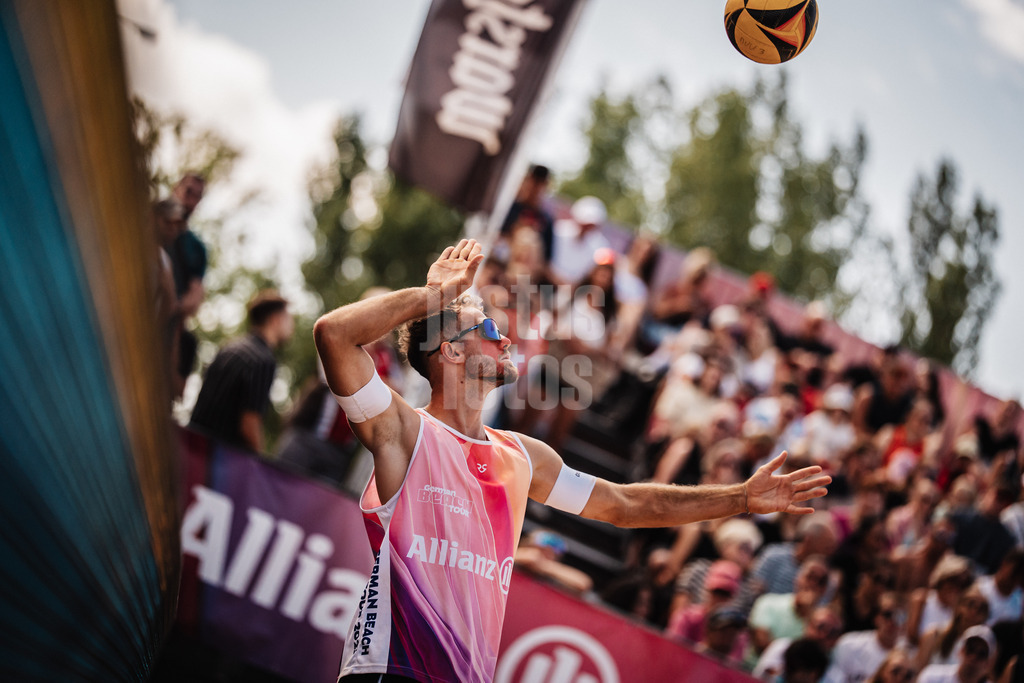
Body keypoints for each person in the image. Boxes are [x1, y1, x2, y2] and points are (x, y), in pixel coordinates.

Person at [313, 239, 831, 683]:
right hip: (390, 671)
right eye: (489, 331)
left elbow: (625, 505)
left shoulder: (520, 455)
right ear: (449, 352)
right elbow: (333, 334)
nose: (506, 337)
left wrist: (740, 497)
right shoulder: (407, 433)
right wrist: (435, 297)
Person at [189, 290, 293, 452]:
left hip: (191, 444)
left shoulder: (230, 348)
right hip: (218, 458)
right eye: (289, 318)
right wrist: (260, 465)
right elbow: (249, 424)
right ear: (276, 319)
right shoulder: (263, 360)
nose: (292, 324)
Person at [824, 592, 911, 683]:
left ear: (906, 623)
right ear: (876, 618)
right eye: (887, 614)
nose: (892, 622)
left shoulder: (909, 657)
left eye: (900, 616)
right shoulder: (848, 645)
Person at [917, 625, 998, 683]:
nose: (973, 656)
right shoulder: (932, 676)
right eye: (971, 649)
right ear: (961, 650)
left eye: (981, 654)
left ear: (988, 663)